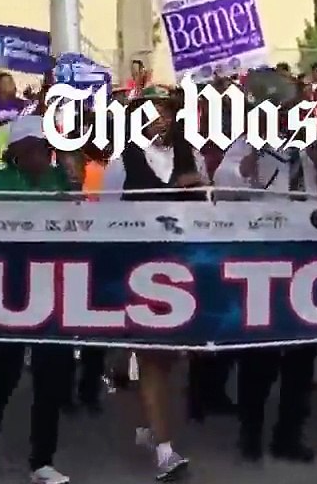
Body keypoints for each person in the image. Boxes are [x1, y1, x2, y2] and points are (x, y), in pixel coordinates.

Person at [214, 74, 317, 463]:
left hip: (308, 255)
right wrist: (255, 151)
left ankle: (289, 434)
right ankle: (250, 433)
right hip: (264, 255)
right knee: (260, 355)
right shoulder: (246, 143)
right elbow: (224, 184)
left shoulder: (315, 144)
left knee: (301, 356)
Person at [0, 116, 76, 484]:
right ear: (15, 152)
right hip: (10, 287)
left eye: (44, 148)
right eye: (31, 148)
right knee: (6, 367)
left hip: (55, 287)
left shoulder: (60, 180)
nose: (39, 156)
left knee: (52, 376)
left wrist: (73, 193)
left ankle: (42, 461)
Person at [117, 88, 200, 481]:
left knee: (167, 361)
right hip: (140, 269)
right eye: (153, 111)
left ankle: (149, 427)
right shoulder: (122, 161)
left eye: (166, 111)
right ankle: (164, 451)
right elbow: (107, 221)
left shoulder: (189, 154)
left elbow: (210, 208)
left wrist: (198, 188)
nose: (161, 118)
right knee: (151, 356)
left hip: (183, 267)